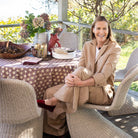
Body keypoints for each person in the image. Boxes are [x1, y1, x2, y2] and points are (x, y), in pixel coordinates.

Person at [37, 16, 121, 136]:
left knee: (75, 78)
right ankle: (55, 132)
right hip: (84, 84)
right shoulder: (88, 45)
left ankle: (54, 101)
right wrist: (69, 77)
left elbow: (103, 76)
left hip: (103, 90)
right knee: (50, 91)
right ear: (93, 29)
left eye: (104, 29)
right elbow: (79, 67)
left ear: (108, 30)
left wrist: (80, 83)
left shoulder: (114, 48)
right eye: (98, 28)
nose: (101, 32)